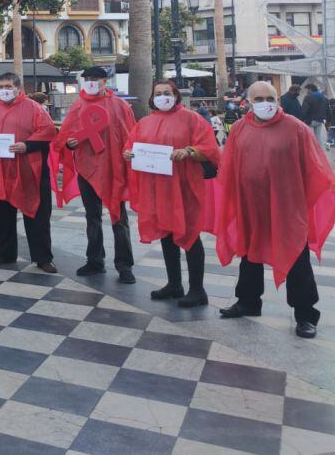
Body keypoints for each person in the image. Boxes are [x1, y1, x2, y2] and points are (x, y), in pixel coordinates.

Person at [214, 81, 335, 339]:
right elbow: (229, 163)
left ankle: (305, 315)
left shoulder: (296, 129)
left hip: (287, 207)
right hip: (251, 204)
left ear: (278, 99)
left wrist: (299, 197)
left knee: (296, 257)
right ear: (248, 101)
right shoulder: (239, 128)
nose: (265, 103)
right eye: (258, 99)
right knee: (249, 253)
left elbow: (317, 167)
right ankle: (248, 301)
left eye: (270, 98)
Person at [124, 81, 219, 307]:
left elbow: (210, 148)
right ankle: (174, 284)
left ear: (176, 95)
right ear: (152, 97)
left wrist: (189, 151)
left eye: (167, 93)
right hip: (158, 189)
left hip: (185, 187)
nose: (162, 97)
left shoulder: (192, 119)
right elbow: (132, 145)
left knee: (190, 236)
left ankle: (197, 289)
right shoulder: (145, 122)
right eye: (158, 93)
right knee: (167, 234)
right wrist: (128, 153)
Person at [53, 66, 137, 283]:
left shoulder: (119, 105)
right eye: (87, 78)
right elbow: (66, 136)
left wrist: (129, 155)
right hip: (87, 169)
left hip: (113, 168)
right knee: (92, 217)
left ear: (104, 81)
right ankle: (95, 260)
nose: (91, 82)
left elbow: (131, 135)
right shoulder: (78, 106)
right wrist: (71, 144)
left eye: (95, 79)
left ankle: (124, 265)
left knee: (119, 218)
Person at [0, 74, 58, 272]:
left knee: (37, 214)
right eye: (0, 86)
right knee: (0, 215)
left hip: (28, 172)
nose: (4, 89)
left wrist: (26, 145)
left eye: (8, 86)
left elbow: (48, 132)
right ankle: (5, 253)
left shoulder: (34, 108)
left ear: (18, 88)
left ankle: (43, 257)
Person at [302, 83, 328, 148]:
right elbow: (327, 108)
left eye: (307, 90)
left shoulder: (308, 96)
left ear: (310, 89)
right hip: (320, 120)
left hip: (310, 120)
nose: (306, 91)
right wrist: (327, 119)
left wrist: (301, 119)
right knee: (318, 137)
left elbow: (304, 109)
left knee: (310, 137)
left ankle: (312, 153)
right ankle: (321, 152)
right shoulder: (323, 97)